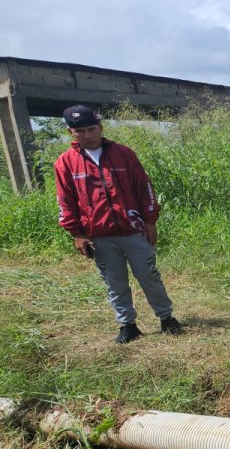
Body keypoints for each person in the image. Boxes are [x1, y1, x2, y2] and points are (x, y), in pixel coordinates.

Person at [54, 105, 181, 344]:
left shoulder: (124, 154)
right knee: (115, 282)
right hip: (99, 236)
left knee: (149, 276)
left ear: (100, 128)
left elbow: (144, 188)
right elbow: (65, 201)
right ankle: (128, 325)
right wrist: (77, 234)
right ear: (71, 132)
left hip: (134, 231)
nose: (87, 135)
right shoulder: (65, 164)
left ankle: (167, 318)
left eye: (92, 129)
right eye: (80, 131)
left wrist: (150, 221)